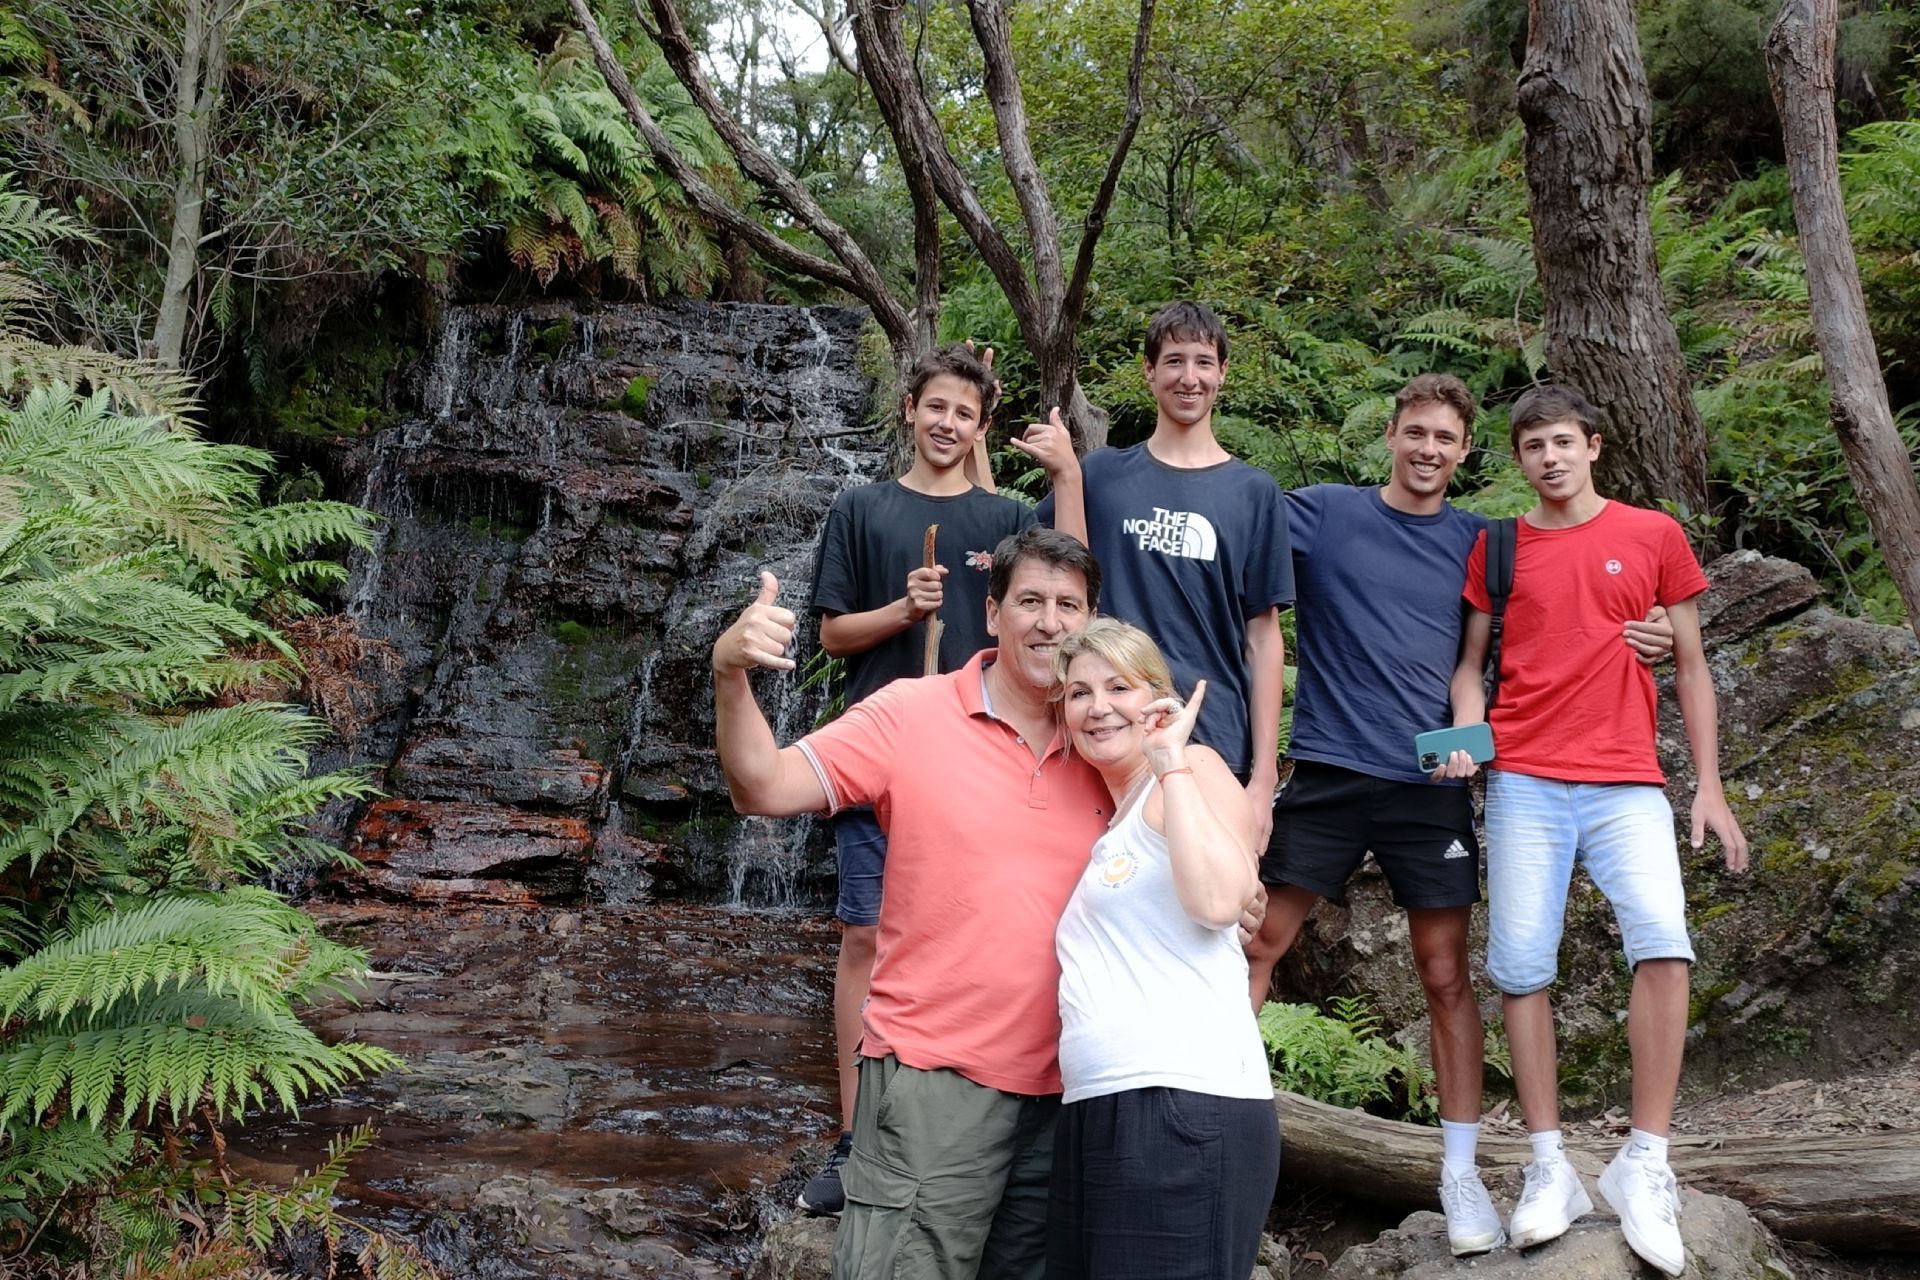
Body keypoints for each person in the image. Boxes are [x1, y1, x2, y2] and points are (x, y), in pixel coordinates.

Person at [1242, 374, 1675, 1256]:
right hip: (1326, 767)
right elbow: (1224, 549)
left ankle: (1462, 1177)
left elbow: (1574, 603)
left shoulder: (1488, 543)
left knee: (1445, 974)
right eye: (1415, 433)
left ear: (1468, 449)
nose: (1428, 449)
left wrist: (1663, 625)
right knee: (1258, 945)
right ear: (1392, 436)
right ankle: (1226, 1137)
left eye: (1445, 437)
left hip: (1428, 784)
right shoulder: (1323, 513)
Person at [711, 525, 1108, 1280]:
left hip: (1070, 1092)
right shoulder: (910, 713)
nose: (1049, 622)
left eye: (1069, 604)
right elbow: (761, 787)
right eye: (1030, 600)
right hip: (934, 1085)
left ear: (1092, 622)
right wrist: (730, 673)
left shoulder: (1104, 735)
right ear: (992, 614)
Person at [1446, 383, 1749, 1276]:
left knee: (1664, 944)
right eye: (1533, 445)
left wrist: (1711, 788)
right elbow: (1471, 667)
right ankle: (1549, 1166)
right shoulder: (1498, 544)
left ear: (1594, 445)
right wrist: (1468, 744)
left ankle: (1644, 1162)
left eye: (1564, 442)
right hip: (1526, 780)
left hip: (1627, 780)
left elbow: (1690, 666)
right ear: (1518, 459)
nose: (1551, 457)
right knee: (1521, 967)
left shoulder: (1652, 535)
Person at [800, 344, 1077, 1215]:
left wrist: (1067, 470)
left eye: (965, 412)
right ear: (910, 410)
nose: (947, 424)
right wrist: (902, 609)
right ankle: (854, 1140)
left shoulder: (1002, 519)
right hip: (880, 752)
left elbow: (1070, 573)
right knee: (864, 939)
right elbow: (832, 636)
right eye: (935, 407)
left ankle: (986, 1130)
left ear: (981, 425)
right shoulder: (864, 506)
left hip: (982, 762)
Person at [1045, 619, 1277, 1280]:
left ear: (1157, 697)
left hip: (1181, 1103)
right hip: (1102, 1106)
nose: (1098, 706)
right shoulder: (1113, 818)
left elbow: (1218, 902)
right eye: (1079, 692)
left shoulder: (1191, 769)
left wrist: (1171, 758)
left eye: (1119, 686)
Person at [1035, 300, 1291, 848]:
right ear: (1149, 372)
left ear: (1222, 372)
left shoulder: (1254, 494)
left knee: (1210, 911)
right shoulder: (1099, 476)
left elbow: (1264, 639)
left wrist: (1264, 777)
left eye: (1204, 362)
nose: (1189, 378)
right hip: (1106, 730)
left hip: (1213, 738)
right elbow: (1061, 578)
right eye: (1174, 361)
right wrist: (1049, 470)